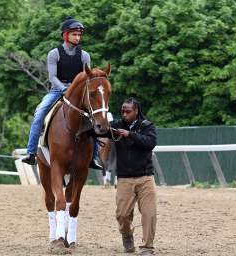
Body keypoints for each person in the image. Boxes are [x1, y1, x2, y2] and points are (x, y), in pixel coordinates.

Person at [22, 17, 102, 169]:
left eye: (79, 35)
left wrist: (77, 91)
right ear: (66, 35)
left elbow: (88, 76)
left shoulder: (85, 55)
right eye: (74, 34)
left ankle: (94, 156)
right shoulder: (54, 54)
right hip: (58, 90)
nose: (77, 37)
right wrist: (65, 89)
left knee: (96, 117)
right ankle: (31, 152)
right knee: (39, 113)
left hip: (79, 92)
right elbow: (52, 77)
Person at [107, 97, 157, 255]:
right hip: (124, 179)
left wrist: (130, 135)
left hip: (145, 178)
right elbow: (99, 131)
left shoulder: (147, 126)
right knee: (122, 215)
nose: (124, 113)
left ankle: (147, 247)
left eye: (128, 111)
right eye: (122, 110)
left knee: (149, 213)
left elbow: (150, 143)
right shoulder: (116, 125)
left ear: (136, 111)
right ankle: (127, 235)